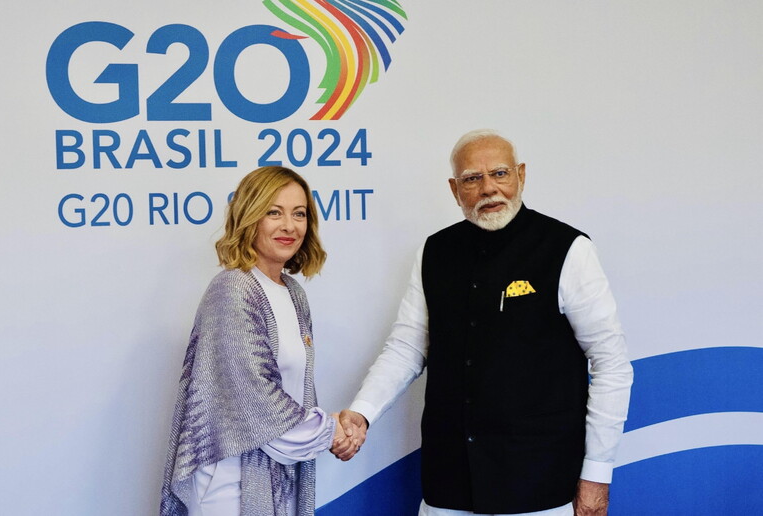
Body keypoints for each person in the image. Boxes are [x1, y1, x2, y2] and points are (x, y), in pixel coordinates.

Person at [333, 130, 634, 516]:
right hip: (449, 484)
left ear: (521, 175)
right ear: (454, 189)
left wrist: (597, 474)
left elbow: (610, 363)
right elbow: (407, 348)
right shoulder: (434, 251)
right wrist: (361, 412)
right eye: (472, 179)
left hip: (540, 485)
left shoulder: (567, 249)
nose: (488, 188)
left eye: (500, 173)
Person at [161, 166, 357, 516]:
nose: (289, 226)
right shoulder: (233, 290)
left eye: (299, 214)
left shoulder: (293, 293)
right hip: (231, 487)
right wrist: (330, 432)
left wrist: (327, 425)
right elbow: (257, 400)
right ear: (249, 217)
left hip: (279, 476)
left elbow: (292, 392)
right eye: (273, 212)